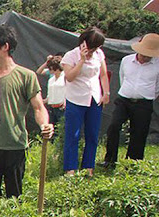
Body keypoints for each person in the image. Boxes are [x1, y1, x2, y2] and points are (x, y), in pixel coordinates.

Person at [0, 25, 54, 198]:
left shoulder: (26, 76)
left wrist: (45, 124)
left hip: (14, 145)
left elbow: (38, 107)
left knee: (14, 196)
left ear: (5, 47)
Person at [102, 33, 159, 167]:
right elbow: (122, 77)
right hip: (124, 100)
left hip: (144, 103)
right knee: (114, 126)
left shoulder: (157, 66)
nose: (145, 57)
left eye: (149, 55)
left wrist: (146, 94)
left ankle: (133, 162)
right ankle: (110, 160)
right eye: (144, 54)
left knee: (139, 132)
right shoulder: (126, 60)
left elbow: (157, 86)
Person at [61, 27, 110, 176]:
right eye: (91, 47)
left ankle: (89, 167)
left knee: (92, 134)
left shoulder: (99, 54)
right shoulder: (70, 56)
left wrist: (106, 92)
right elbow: (69, 77)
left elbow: (102, 74)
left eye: (96, 48)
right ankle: (70, 168)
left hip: (94, 98)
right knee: (73, 135)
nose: (93, 51)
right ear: (83, 43)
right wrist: (81, 61)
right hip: (76, 99)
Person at [43, 60, 66, 129]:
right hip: (52, 107)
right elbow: (50, 94)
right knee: (53, 128)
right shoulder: (51, 80)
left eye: (51, 69)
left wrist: (65, 101)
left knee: (62, 127)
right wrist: (44, 101)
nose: (50, 71)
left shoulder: (65, 78)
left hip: (61, 107)